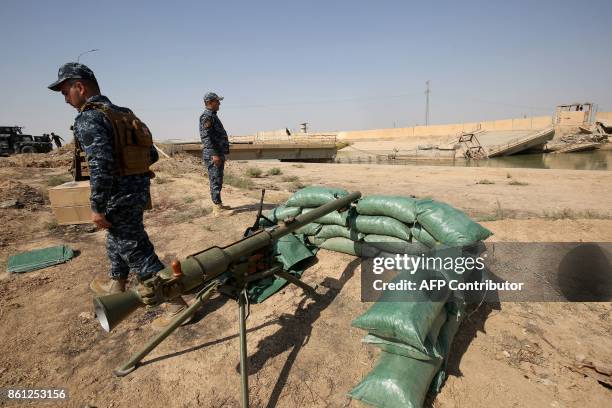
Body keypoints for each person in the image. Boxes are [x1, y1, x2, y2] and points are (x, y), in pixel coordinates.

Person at [48, 62, 189, 329]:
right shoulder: (124, 114)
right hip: (137, 190)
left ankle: (175, 304)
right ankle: (117, 284)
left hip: (117, 194)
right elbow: (152, 154)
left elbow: (101, 166)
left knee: (135, 248)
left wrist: (97, 206)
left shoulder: (89, 118)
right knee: (119, 237)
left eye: (66, 92)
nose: (65, 99)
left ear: (80, 87)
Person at [199, 92, 232, 215]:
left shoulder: (213, 115)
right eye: (217, 101)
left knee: (218, 178)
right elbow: (206, 137)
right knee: (215, 179)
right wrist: (214, 154)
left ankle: (218, 203)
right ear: (210, 102)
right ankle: (216, 208)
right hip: (213, 154)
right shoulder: (206, 116)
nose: (219, 103)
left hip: (217, 152)